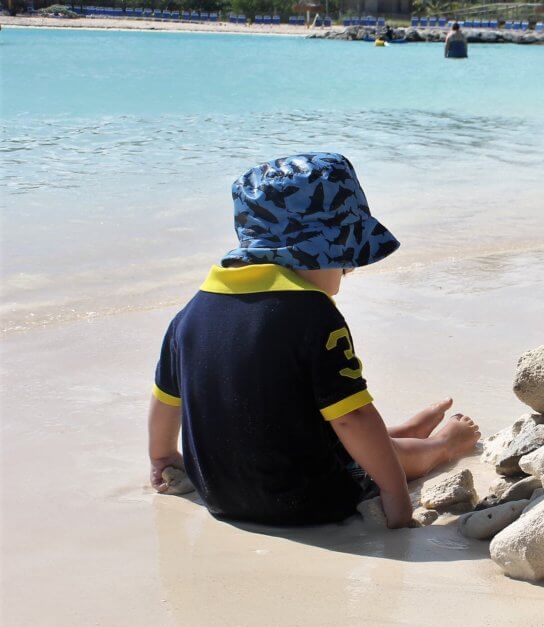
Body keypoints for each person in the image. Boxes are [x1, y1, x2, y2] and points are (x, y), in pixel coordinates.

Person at [148, 153, 481, 528]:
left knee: (308, 426)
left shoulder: (190, 314)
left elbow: (166, 401)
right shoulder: (312, 314)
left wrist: (162, 458)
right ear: (315, 250)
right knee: (380, 453)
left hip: (218, 494)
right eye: (344, 259)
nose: (348, 271)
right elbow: (352, 418)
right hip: (306, 498)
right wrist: (395, 492)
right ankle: (441, 443)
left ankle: (406, 430)